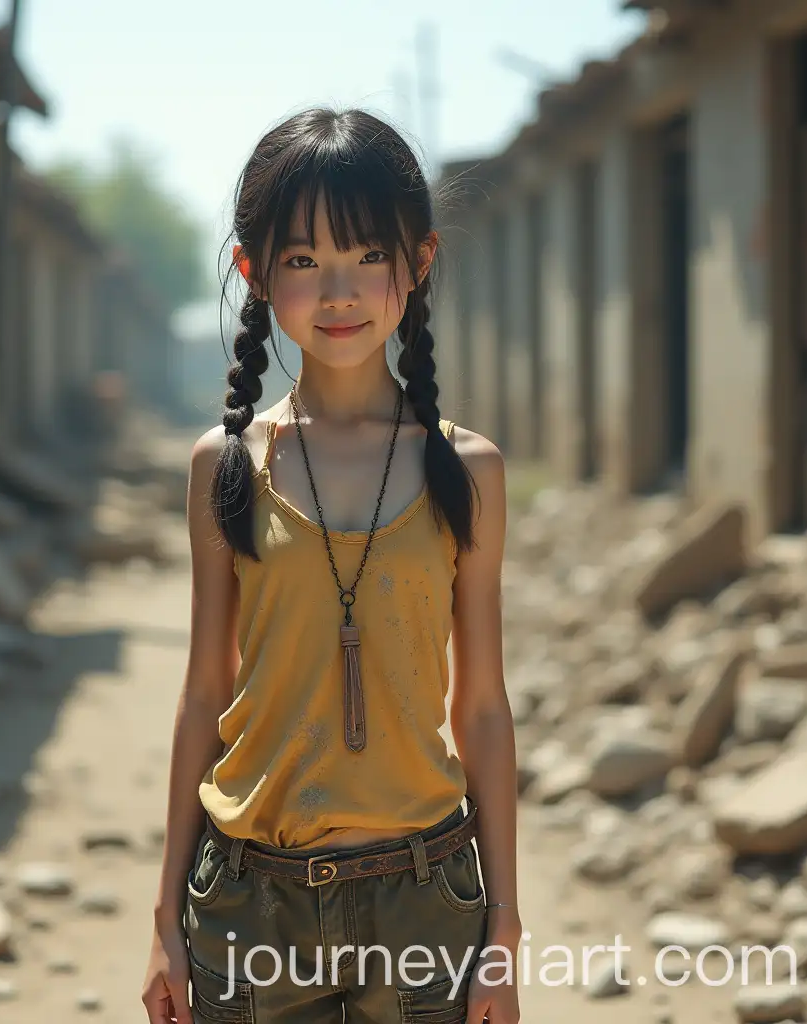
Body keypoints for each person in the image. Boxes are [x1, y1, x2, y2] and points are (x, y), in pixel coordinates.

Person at [142, 106, 521, 1024]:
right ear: (256, 272)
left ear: (418, 262)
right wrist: (164, 922)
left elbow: (481, 707)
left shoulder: (467, 469)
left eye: (368, 255)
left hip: (426, 900)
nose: (339, 291)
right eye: (305, 260)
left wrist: (504, 929)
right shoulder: (225, 465)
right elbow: (204, 692)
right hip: (248, 904)